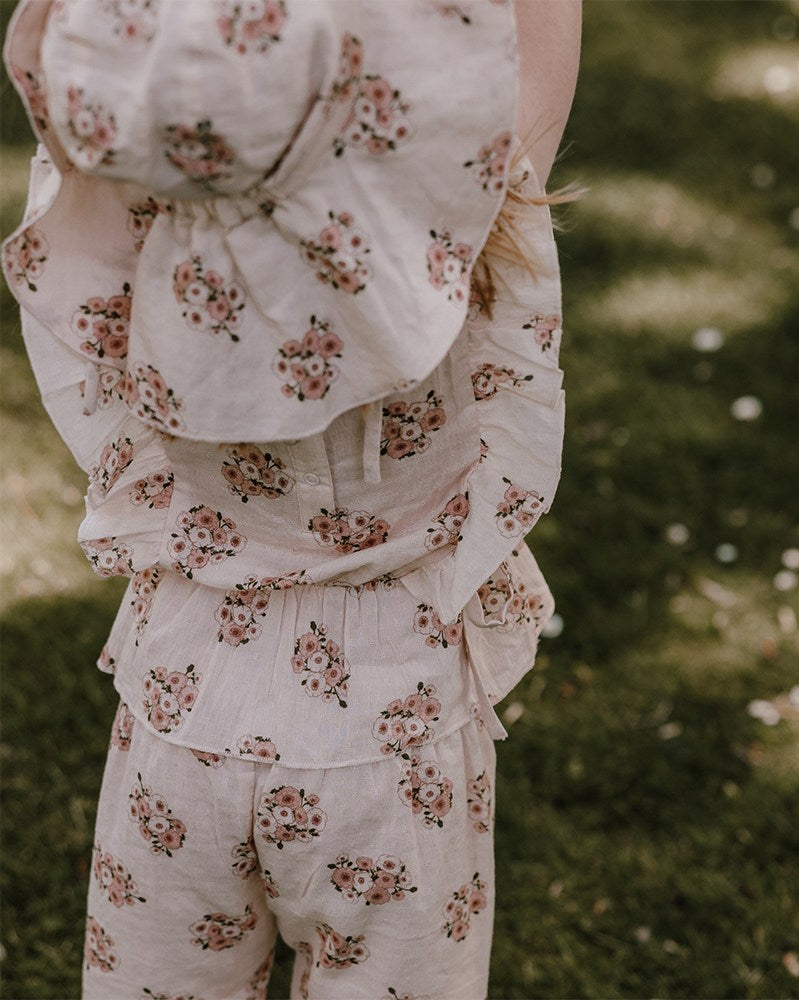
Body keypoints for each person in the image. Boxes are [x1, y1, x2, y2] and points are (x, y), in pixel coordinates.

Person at [2, 0, 580, 997]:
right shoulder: (476, 235)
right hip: (393, 728)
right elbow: (518, 64)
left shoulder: (122, 261)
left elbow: (80, 94)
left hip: (182, 700)